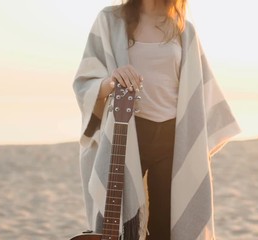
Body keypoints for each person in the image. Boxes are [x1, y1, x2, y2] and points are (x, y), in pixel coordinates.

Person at [72, 0, 240, 239]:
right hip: (126, 131)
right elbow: (85, 82)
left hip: (173, 137)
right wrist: (111, 81)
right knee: (117, 221)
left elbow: (199, 89)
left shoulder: (183, 29)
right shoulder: (109, 20)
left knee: (165, 225)